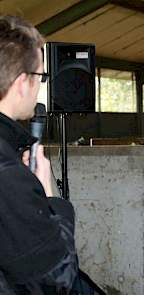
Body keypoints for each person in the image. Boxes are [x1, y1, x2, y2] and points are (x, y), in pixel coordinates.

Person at [0, 15, 78, 294]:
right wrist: (50, 198)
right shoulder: (7, 172)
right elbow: (56, 279)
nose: (39, 86)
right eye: (40, 76)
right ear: (22, 82)